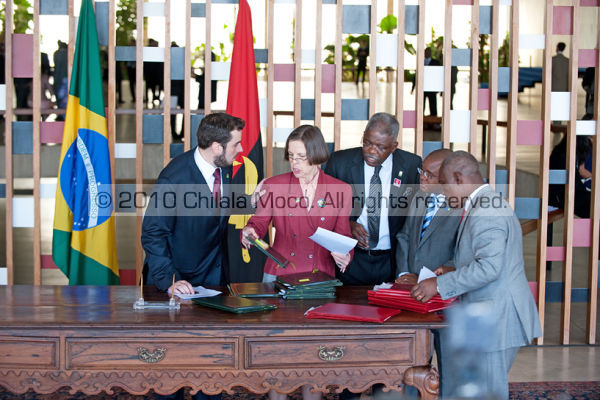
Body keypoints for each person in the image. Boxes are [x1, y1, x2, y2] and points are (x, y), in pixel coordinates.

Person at [410, 151, 542, 399]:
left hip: (497, 317)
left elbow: (490, 268)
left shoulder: (486, 210)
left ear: (459, 179)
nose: (444, 195)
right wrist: (455, 269)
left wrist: (439, 284)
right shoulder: (484, 203)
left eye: (445, 187)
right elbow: (487, 260)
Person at [142, 112, 244, 294]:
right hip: (180, 283)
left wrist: (252, 200)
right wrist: (169, 280)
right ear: (216, 147)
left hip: (216, 280)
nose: (241, 149)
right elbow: (153, 234)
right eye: (236, 144)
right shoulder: (173, 179)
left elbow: (217, 206)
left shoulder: (224, 167)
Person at [242, 125, 353, 282]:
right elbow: (258, 223)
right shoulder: (274, 185)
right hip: (279, 272)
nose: (294, 163)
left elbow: (343, 235)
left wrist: (346, 255)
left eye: (301, 156)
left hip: (320, 274)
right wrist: (250, 231)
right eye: (291, 156)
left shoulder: (341, 190)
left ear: (317, 154)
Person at [324, 112, 421, 286]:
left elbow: (416, 216)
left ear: (394, 146)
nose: (371, 151)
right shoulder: (340, 162)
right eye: (367, 143)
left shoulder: (411, 165)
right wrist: (348, 224)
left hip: (392, 261)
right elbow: (324, 209)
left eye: (380, 147)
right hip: (352, 259)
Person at [394, 148, 459, 397]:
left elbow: (465, 254)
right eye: (423, 172)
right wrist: (403, 273)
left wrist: (432, 279)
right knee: (412, 361)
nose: (422, 178)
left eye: (430, 175)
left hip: (446, 296)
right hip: (412, 293)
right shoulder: (419, 198)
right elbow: (404, 237)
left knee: (449, 362)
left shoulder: (462, 205)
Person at [549, 134, 592, 218]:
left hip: (566, 193)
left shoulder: (565, 151)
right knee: (593, 203)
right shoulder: (563, 155)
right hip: (563, 196)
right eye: (589, 138)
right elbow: (573, 181)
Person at [424, 47, 440, 117]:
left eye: (428, 52)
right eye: (425, 52)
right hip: (423, 87)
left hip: (432, 88)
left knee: (433, 104)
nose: (426, 53)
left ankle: (434, 119)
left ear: (430, 53)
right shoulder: (421, 62)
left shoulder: (436, 62)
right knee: (421, 105)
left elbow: (438, 76)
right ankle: (422, 119)